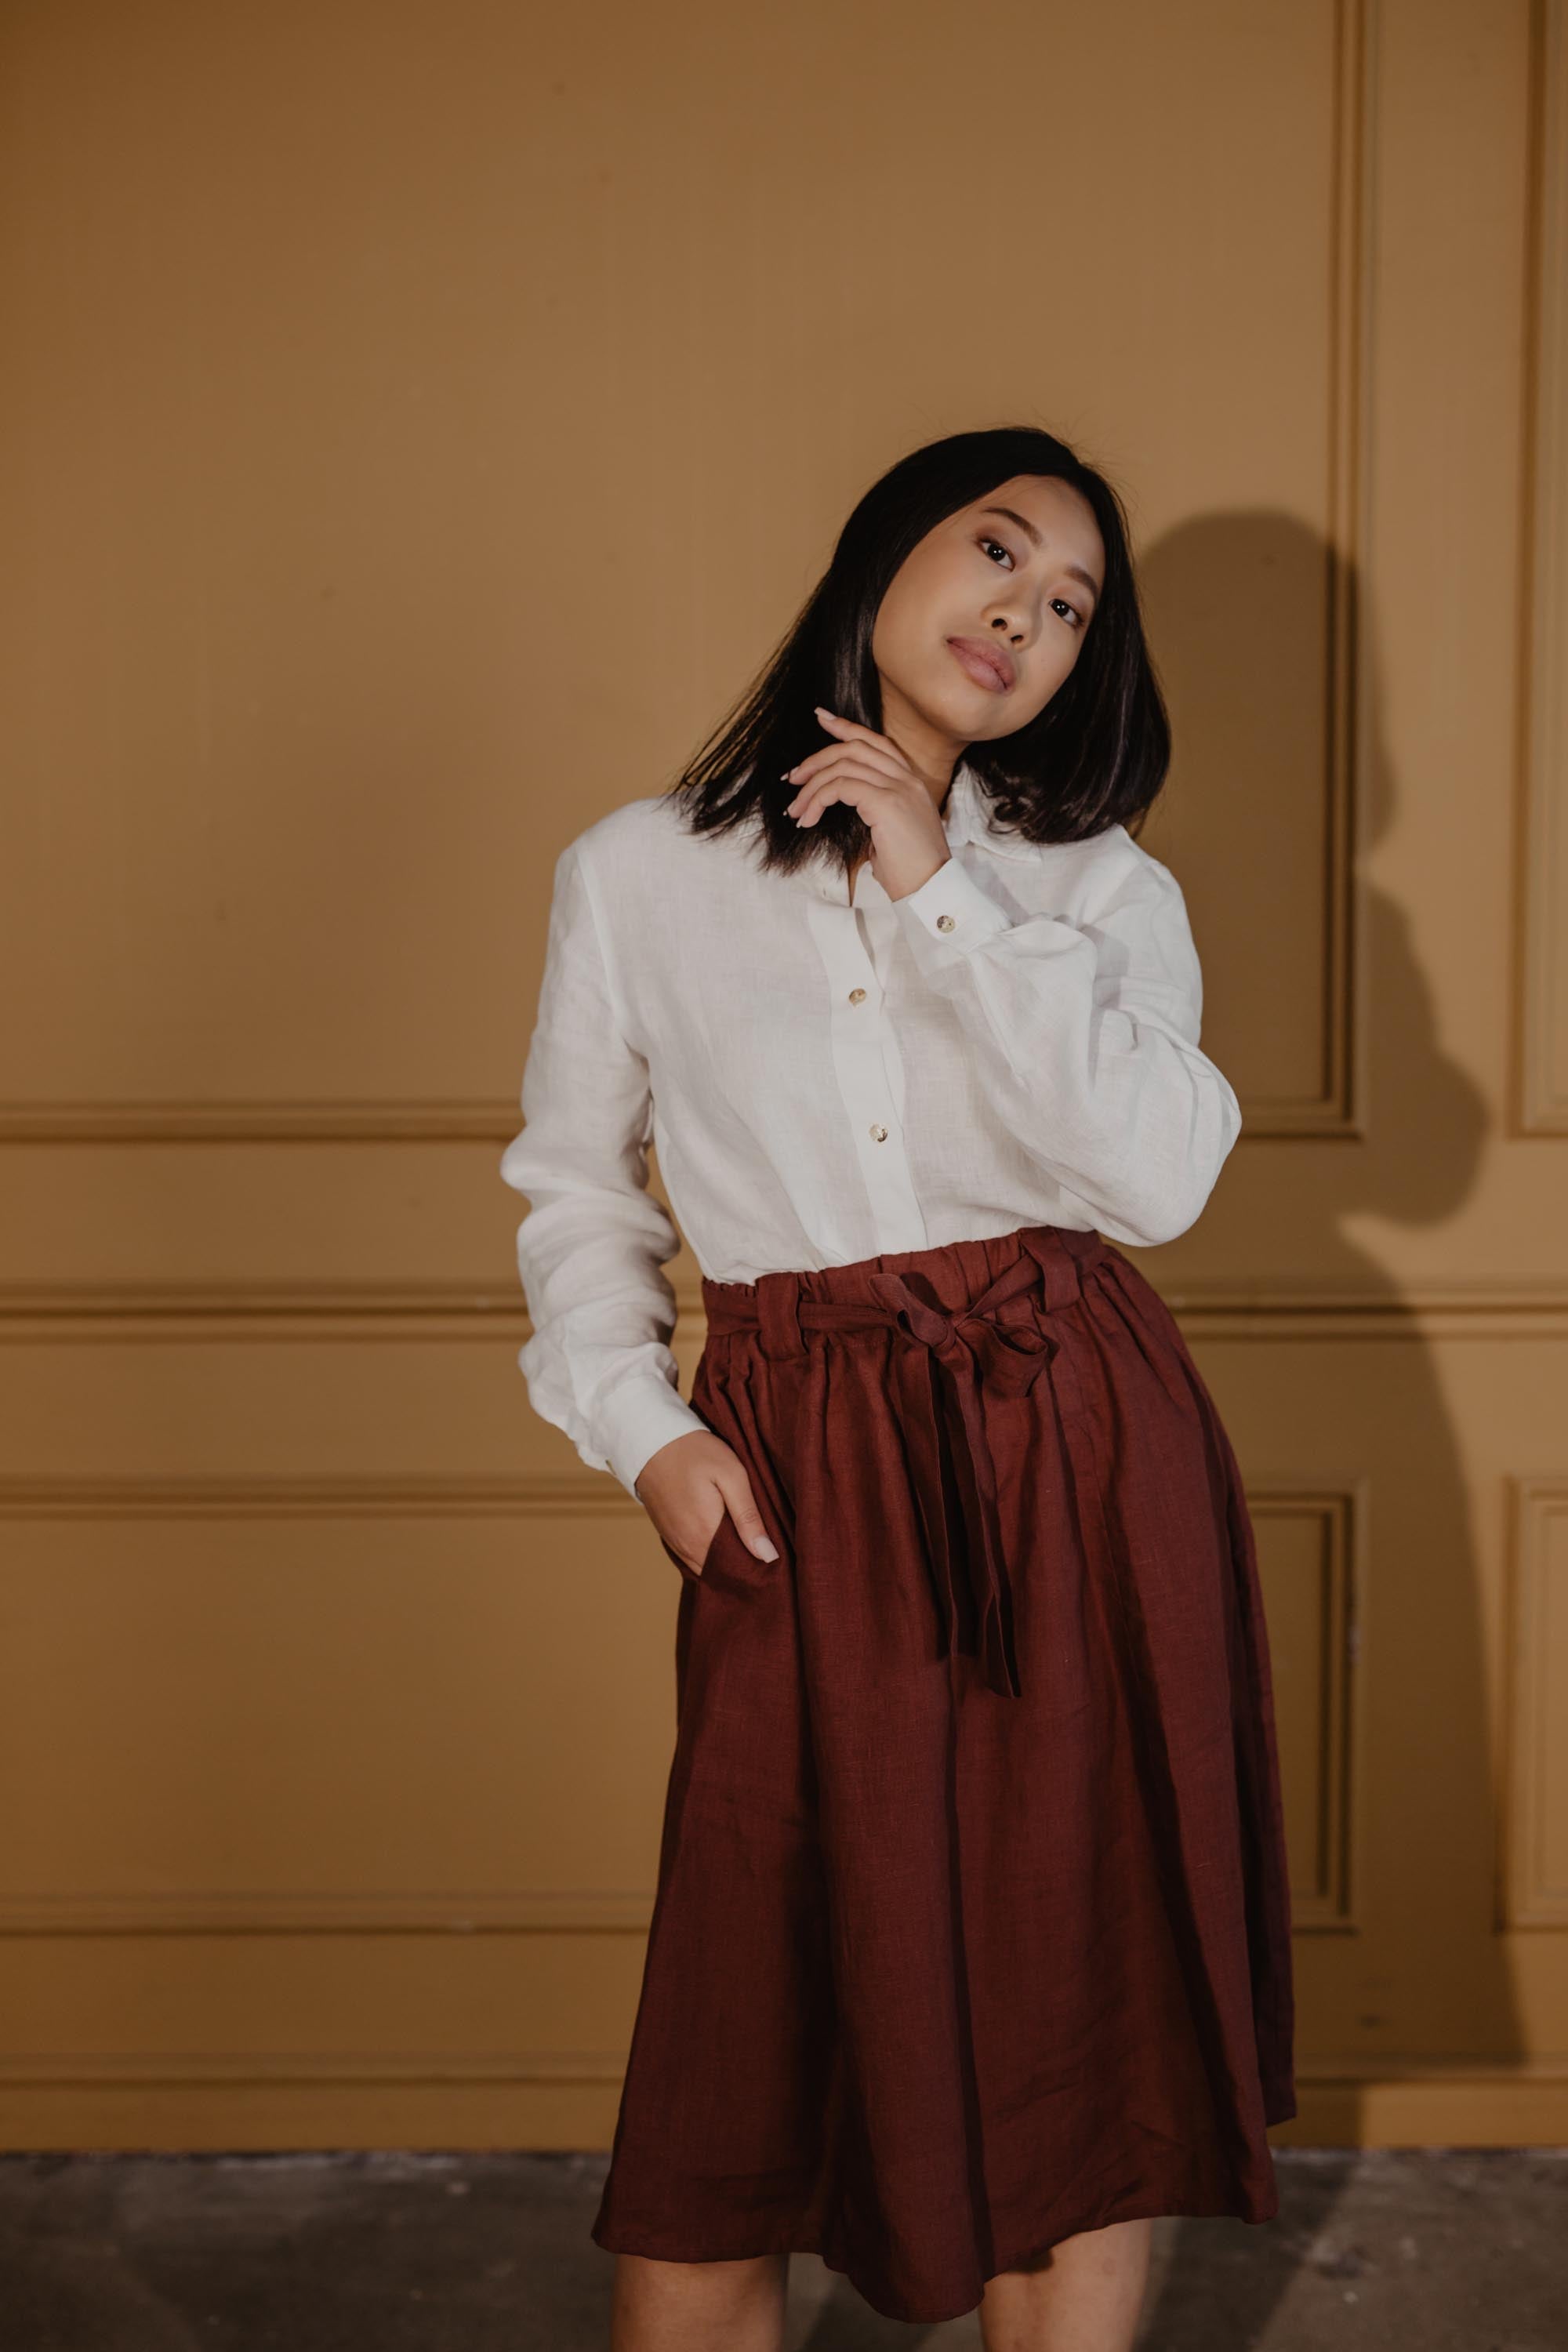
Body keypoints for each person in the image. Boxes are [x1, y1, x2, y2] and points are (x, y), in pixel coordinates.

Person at [499, 423, 1296, 2350]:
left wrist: (941, 886)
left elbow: (1157, 1180)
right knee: (747, 2037)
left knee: (1071, 2013)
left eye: (1069, 605)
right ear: (885, 555)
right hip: (802, 1466)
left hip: (1075, 1447)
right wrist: (646, 1433)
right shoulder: (638, 874)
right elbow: (573, 1191)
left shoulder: (1094, 888)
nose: (1022, 616)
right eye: (996, 554)